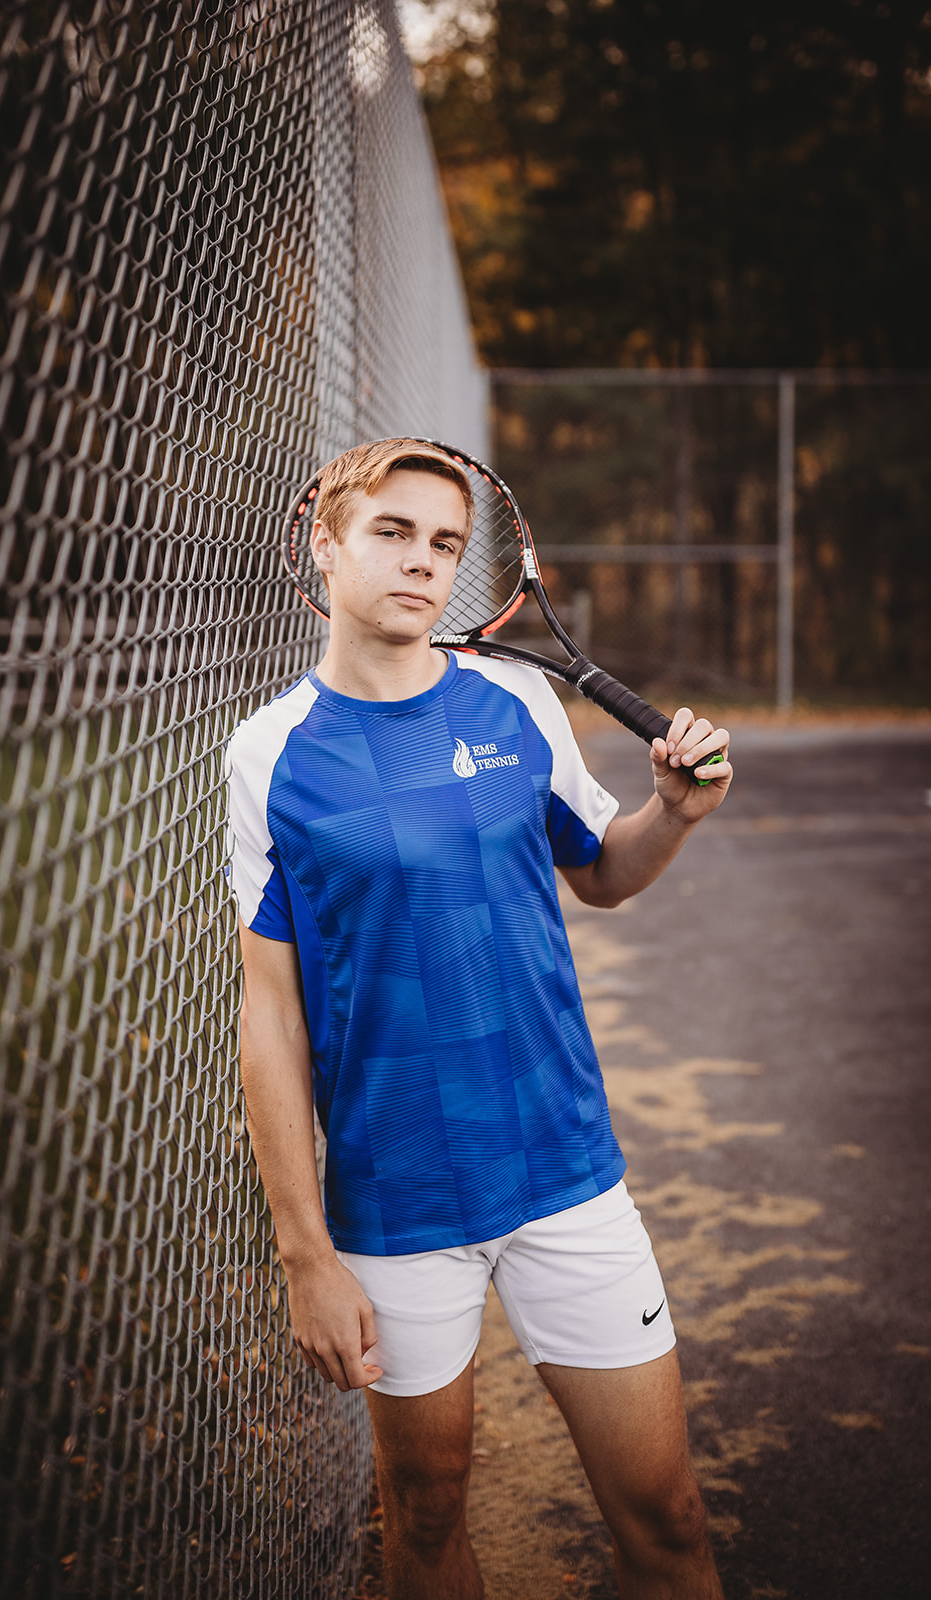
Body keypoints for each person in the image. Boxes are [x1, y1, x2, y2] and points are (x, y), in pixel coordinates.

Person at [226, 438, 731, 1600]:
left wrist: (671, 812)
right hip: (394, 1202)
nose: (420, 562)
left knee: (666, 1515)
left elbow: (599, 872)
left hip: (564, 1173)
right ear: (324, 542)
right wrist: (305, 1254)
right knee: (426, 1515)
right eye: (392, 532)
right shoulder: (266, 756)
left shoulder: (512, 699)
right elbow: (271, 1009)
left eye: (444, 544)